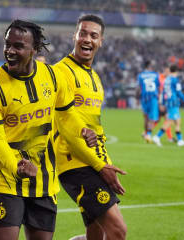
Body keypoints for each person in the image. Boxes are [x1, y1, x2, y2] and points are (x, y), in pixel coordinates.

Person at [0, 19, 97, 240]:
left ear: (34, 49)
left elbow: (68, 113)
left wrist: (82, 130)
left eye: (18, 46)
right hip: (7, 180)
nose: (10, 51)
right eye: (7, 44)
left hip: (45, 183)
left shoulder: (52, 76)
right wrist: (16, 167)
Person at [53, 15, 127, 240]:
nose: (87, 39)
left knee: (96, 232)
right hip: (73, 162)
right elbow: (65, 125)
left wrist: (106, 162)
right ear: (74, 36)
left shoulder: (95, 78)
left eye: (93, 35)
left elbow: (96, 127)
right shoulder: (60, 72)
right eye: (82, 33)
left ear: (101, 41)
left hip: (94, 161)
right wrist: (99, 166)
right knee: (117, 231)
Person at [152, 65, 184, 147]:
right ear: (176, 71)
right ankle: (157, 136)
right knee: (170, 121)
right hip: (173, 102)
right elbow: (179, 92)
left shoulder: (167, 79)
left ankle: (180, 140)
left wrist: (163, 102)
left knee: (177, 121)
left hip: (169, 102)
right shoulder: (175, 80)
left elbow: (163, 92)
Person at [137, 60, 160, 143]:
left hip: (144, 98)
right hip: (153, 98)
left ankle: (146, 133)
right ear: (150, 66)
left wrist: (137, 99)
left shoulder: (140, 75)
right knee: (152, 118)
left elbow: (138, 88)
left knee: (146, 118)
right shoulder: (155, 75)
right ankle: (148, 135)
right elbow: (158, 87)